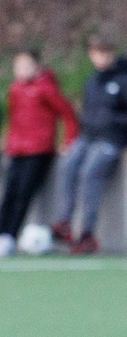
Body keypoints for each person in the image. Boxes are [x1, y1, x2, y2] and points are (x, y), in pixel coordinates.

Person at [0, 50, 79, 258]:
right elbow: (14, 118)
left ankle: (10, 237)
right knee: (8, 193)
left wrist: (69, 140)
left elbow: (67, 113)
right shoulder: (15, 88)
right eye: (18, 66)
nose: (21, 70)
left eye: (26, 66)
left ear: (36, 67)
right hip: (17, 150)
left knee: (23, 194)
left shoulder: (46, 88)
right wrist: (8, 139)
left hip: (38, 150)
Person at [51, 35, 127, 254]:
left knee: (89, 172)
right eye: (96, 54)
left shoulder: (122, 80)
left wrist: (113, 123)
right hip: (89, 137)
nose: (101, 58)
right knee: (67, 165)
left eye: (105, 53)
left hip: (112, 138)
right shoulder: (92, 81)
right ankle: (65, 222)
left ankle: (87, 233)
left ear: (112, 54)